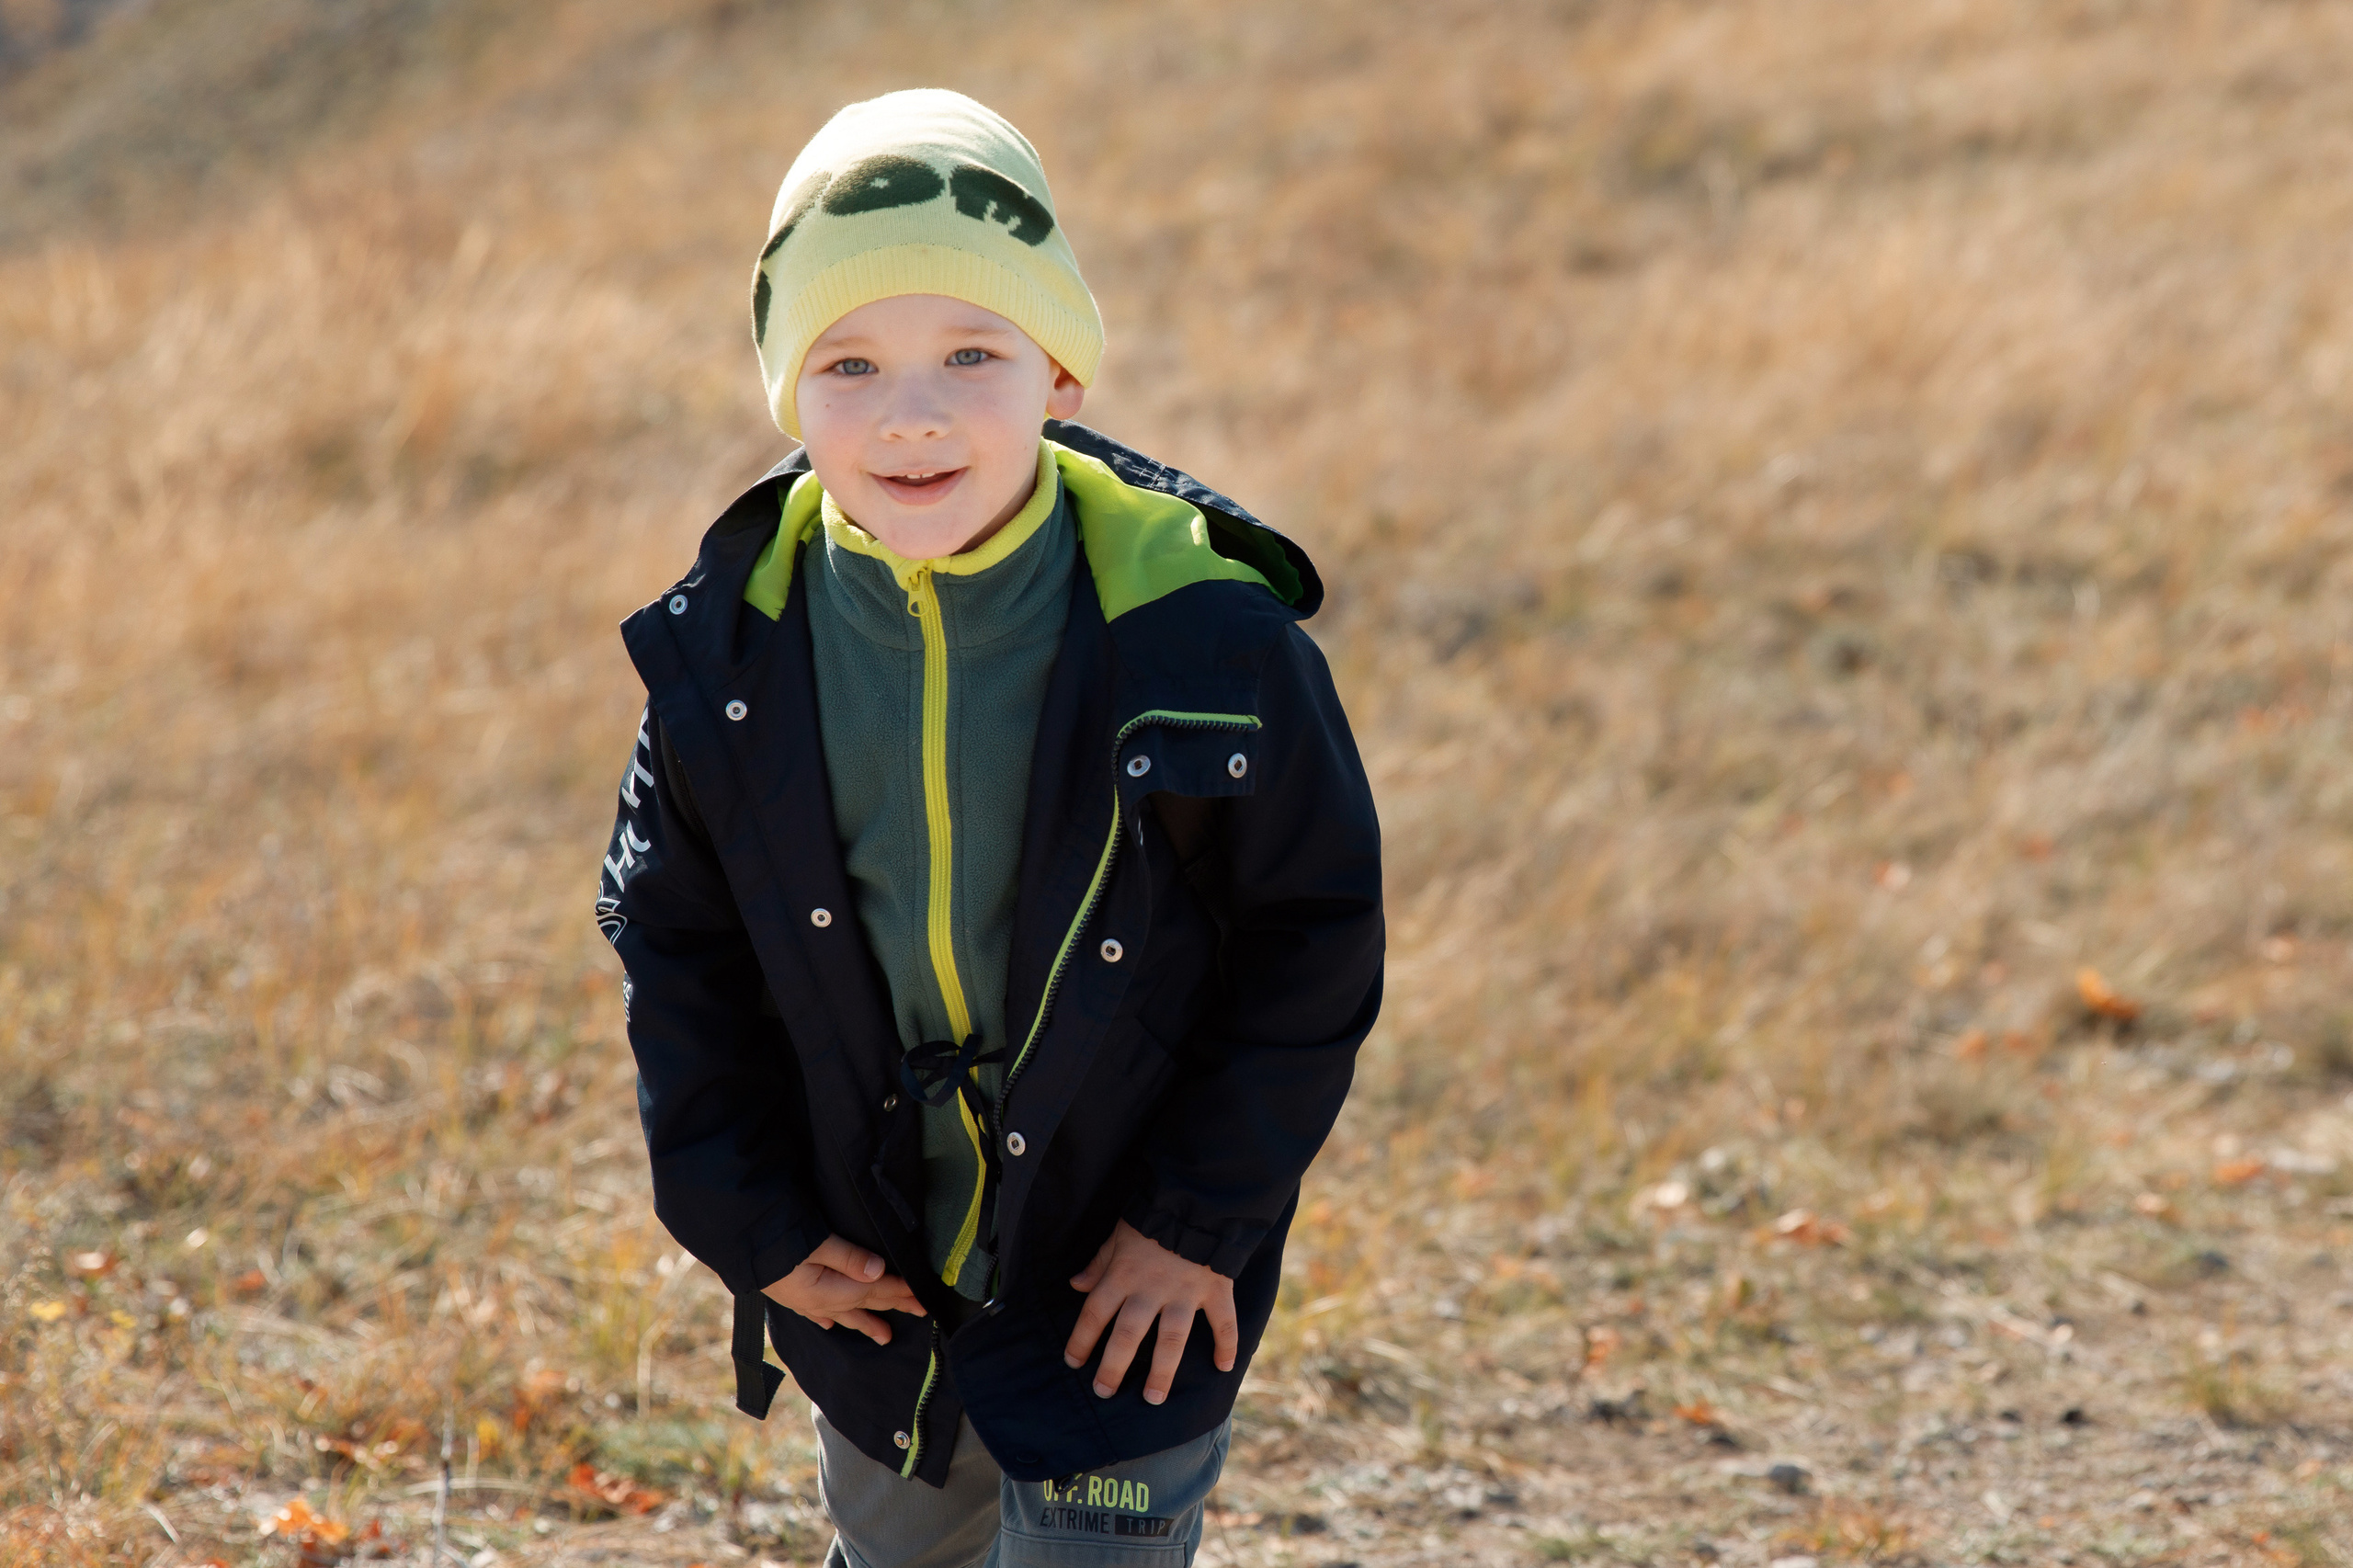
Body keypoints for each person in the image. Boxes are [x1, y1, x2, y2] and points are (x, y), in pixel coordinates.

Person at [595, 88, 1382, 1567]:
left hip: (1122, 1282)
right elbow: (673, 945)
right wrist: (750, 1223)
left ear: (1061, 373)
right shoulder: (729, 659)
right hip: (869, 1277)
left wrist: (1197, 1217)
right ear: (785, 387)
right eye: (850, 361)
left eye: (973, 351)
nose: (913, 410)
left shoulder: (1204, 634)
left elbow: (1313, 934)